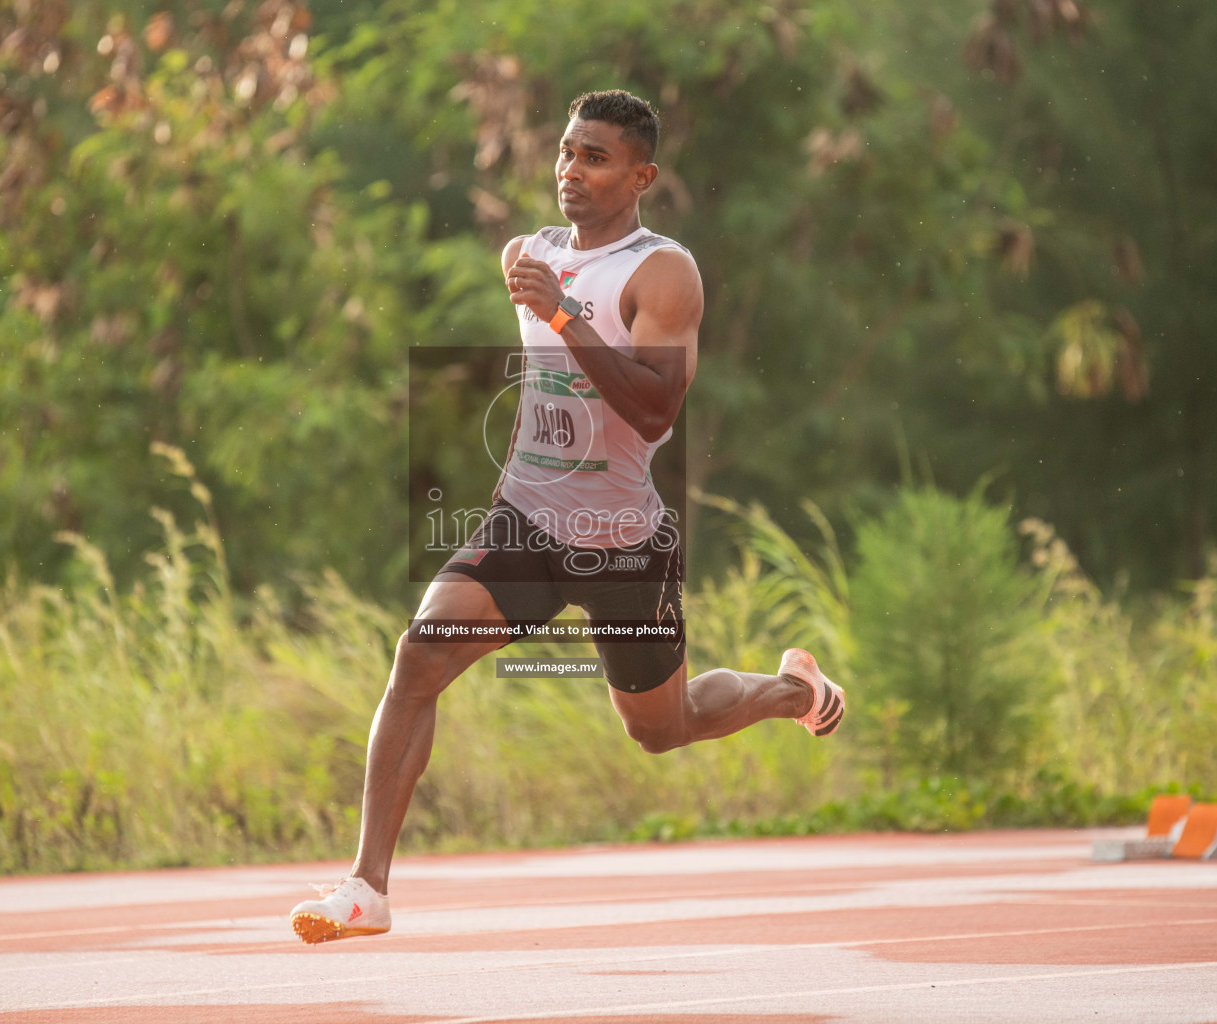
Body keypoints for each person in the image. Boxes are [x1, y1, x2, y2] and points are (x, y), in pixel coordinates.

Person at [290, 89, 845, 944]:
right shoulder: (528, 254)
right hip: (526, 521)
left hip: (624, 545)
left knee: (663, 731)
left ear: (641, 175)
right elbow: (542, 385)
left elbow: (656, 410)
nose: (569, 171)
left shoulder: (664, 272)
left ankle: (794, 690)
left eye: (594, 157)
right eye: (564, 152)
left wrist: (563, 311)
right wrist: (526, 460)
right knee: (418, 658)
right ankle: (367, 889)